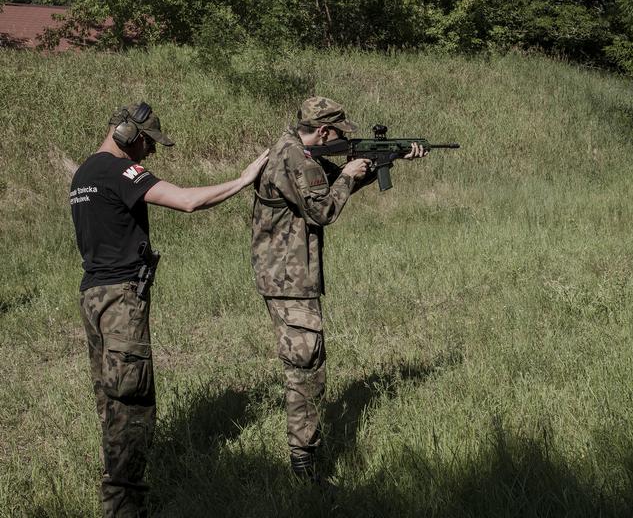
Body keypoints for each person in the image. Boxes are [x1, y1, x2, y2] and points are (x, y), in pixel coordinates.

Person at [70, 101, 268, 516]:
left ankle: (118, 496)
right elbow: (187, 201)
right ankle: (126, 508)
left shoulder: (84, 172)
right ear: (128, 134)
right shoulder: (119, 170)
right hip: (121, 300)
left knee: (111, 402)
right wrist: (243, 179)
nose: (151, 152)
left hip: (94, 296)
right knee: (133, 405)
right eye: (148, 142)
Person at [250, 96, 425, 481]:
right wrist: (349, 174)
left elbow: (322, 187)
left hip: (285, 273)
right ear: (325, 131)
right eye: (337, 132)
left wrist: (384, 161)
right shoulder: (296, 158)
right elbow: (323, 208)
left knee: (306, 362)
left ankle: (305, 454)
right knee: (306, 366)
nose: (341, 137)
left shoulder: (291, 148)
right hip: (289, 277)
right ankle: (304, 463)